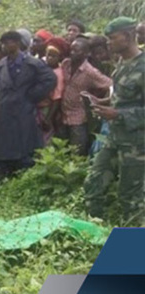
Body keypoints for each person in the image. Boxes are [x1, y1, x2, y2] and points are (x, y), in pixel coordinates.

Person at [84, 17, 145, 226]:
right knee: (94, 181)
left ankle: (133, 250)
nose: (108, 43)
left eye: (112, 38)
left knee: (131, 196)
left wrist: (117, 114)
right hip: (115, 137)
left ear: (127, 37)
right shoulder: (122, 64)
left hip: (136, 144)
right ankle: (94, 231)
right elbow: (124, 96)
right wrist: (102, 102)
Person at [0, 31, 56, 176]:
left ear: (18, 43)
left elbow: (50, 79)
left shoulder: (32, 63)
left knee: (26, 146)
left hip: (24, 110)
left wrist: (32, 95)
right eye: (4, 43)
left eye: (10, 42)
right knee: (6, 148)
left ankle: (26, 175)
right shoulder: (2, 64)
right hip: (5, 112)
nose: (7, 46)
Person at [59, 38, 112, 156]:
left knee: (77, 152)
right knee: (62, 151)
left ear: (86, 53)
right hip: (62, 114)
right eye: (71, 49)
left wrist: (100, 100)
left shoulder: (90, 72)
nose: (72, 53)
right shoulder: (66, 64)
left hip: (79, 117)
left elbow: (110, 84)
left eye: (76, 51)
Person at [38, 37, 69, 145]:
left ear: (60, 57)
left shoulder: (58, 74)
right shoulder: (42, 68)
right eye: (48, 55)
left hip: (47, 108)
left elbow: (57, 98)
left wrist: (49, 118)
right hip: (37, 108)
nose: (49, 58)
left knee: (46, 137)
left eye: (53, 56)